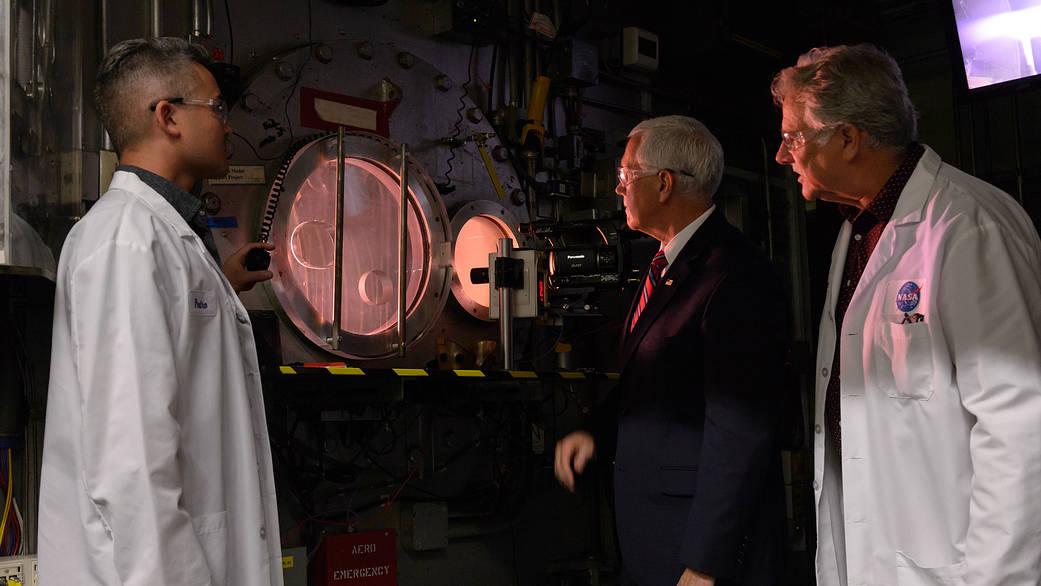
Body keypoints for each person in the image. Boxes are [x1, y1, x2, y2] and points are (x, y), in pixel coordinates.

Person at [772, 44, 1041, 585]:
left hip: (956, 568)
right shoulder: (858, 231)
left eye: (793, 137)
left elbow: (1021, 427)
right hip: (873, 559)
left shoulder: (968, 224)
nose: (783, 156)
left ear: (848, 139)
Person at [38, 37, 282, 585]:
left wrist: (218, 291)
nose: (227, 124)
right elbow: (132, 464)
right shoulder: (126, 241)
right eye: (217, 108)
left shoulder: (161, 237)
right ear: (168, 117)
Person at [555, 115, 788, 586]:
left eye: (625, 176)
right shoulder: (664, 263)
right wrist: (598, 430)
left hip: (699, 550)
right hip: (655, 536)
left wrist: (706, 562)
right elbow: (657, 377)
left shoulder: (735, 273)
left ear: (663, 184)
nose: (618, 189)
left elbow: (739, 428)